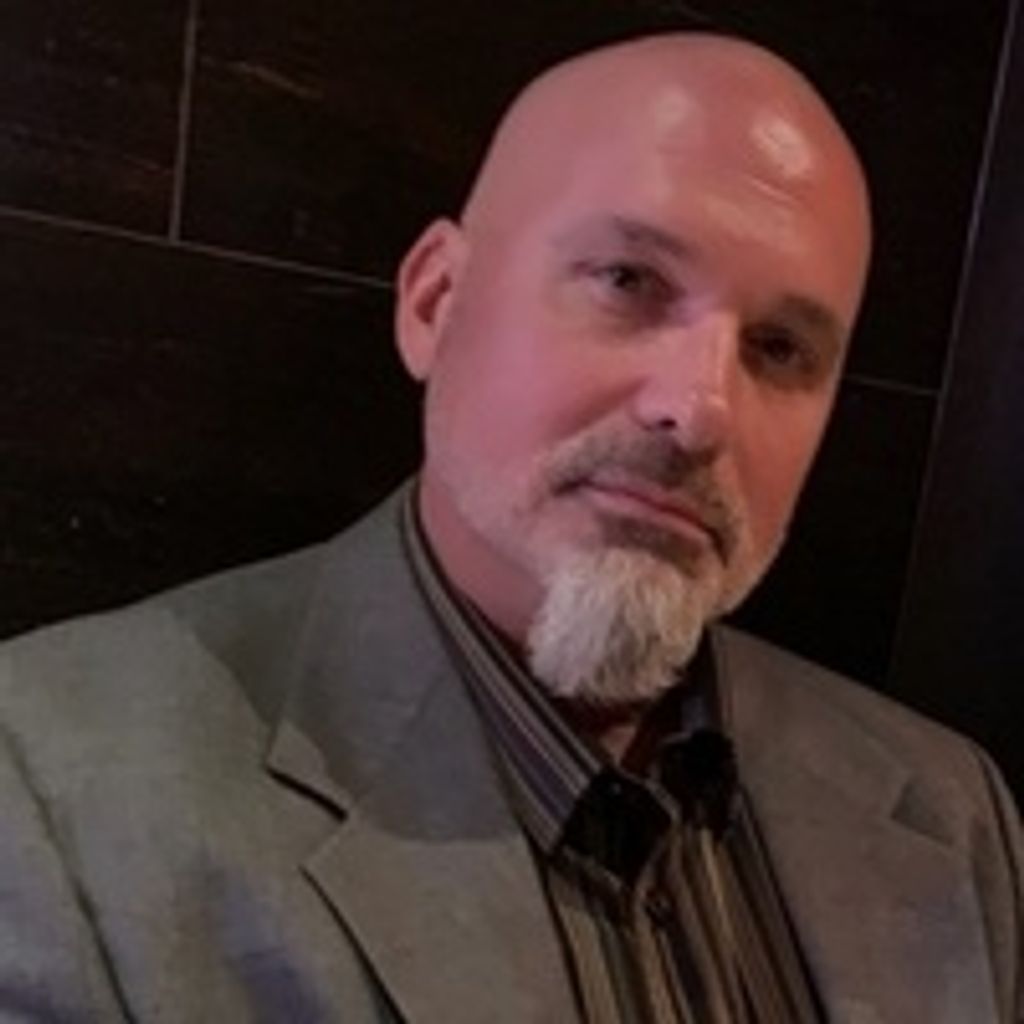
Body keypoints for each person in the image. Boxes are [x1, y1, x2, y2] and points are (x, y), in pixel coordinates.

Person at [0, 31, 1018, 1024]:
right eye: (628, 281)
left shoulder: (952, 815)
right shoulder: (52, 786)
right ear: (434, 302)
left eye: (781, 348)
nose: (701, 408)